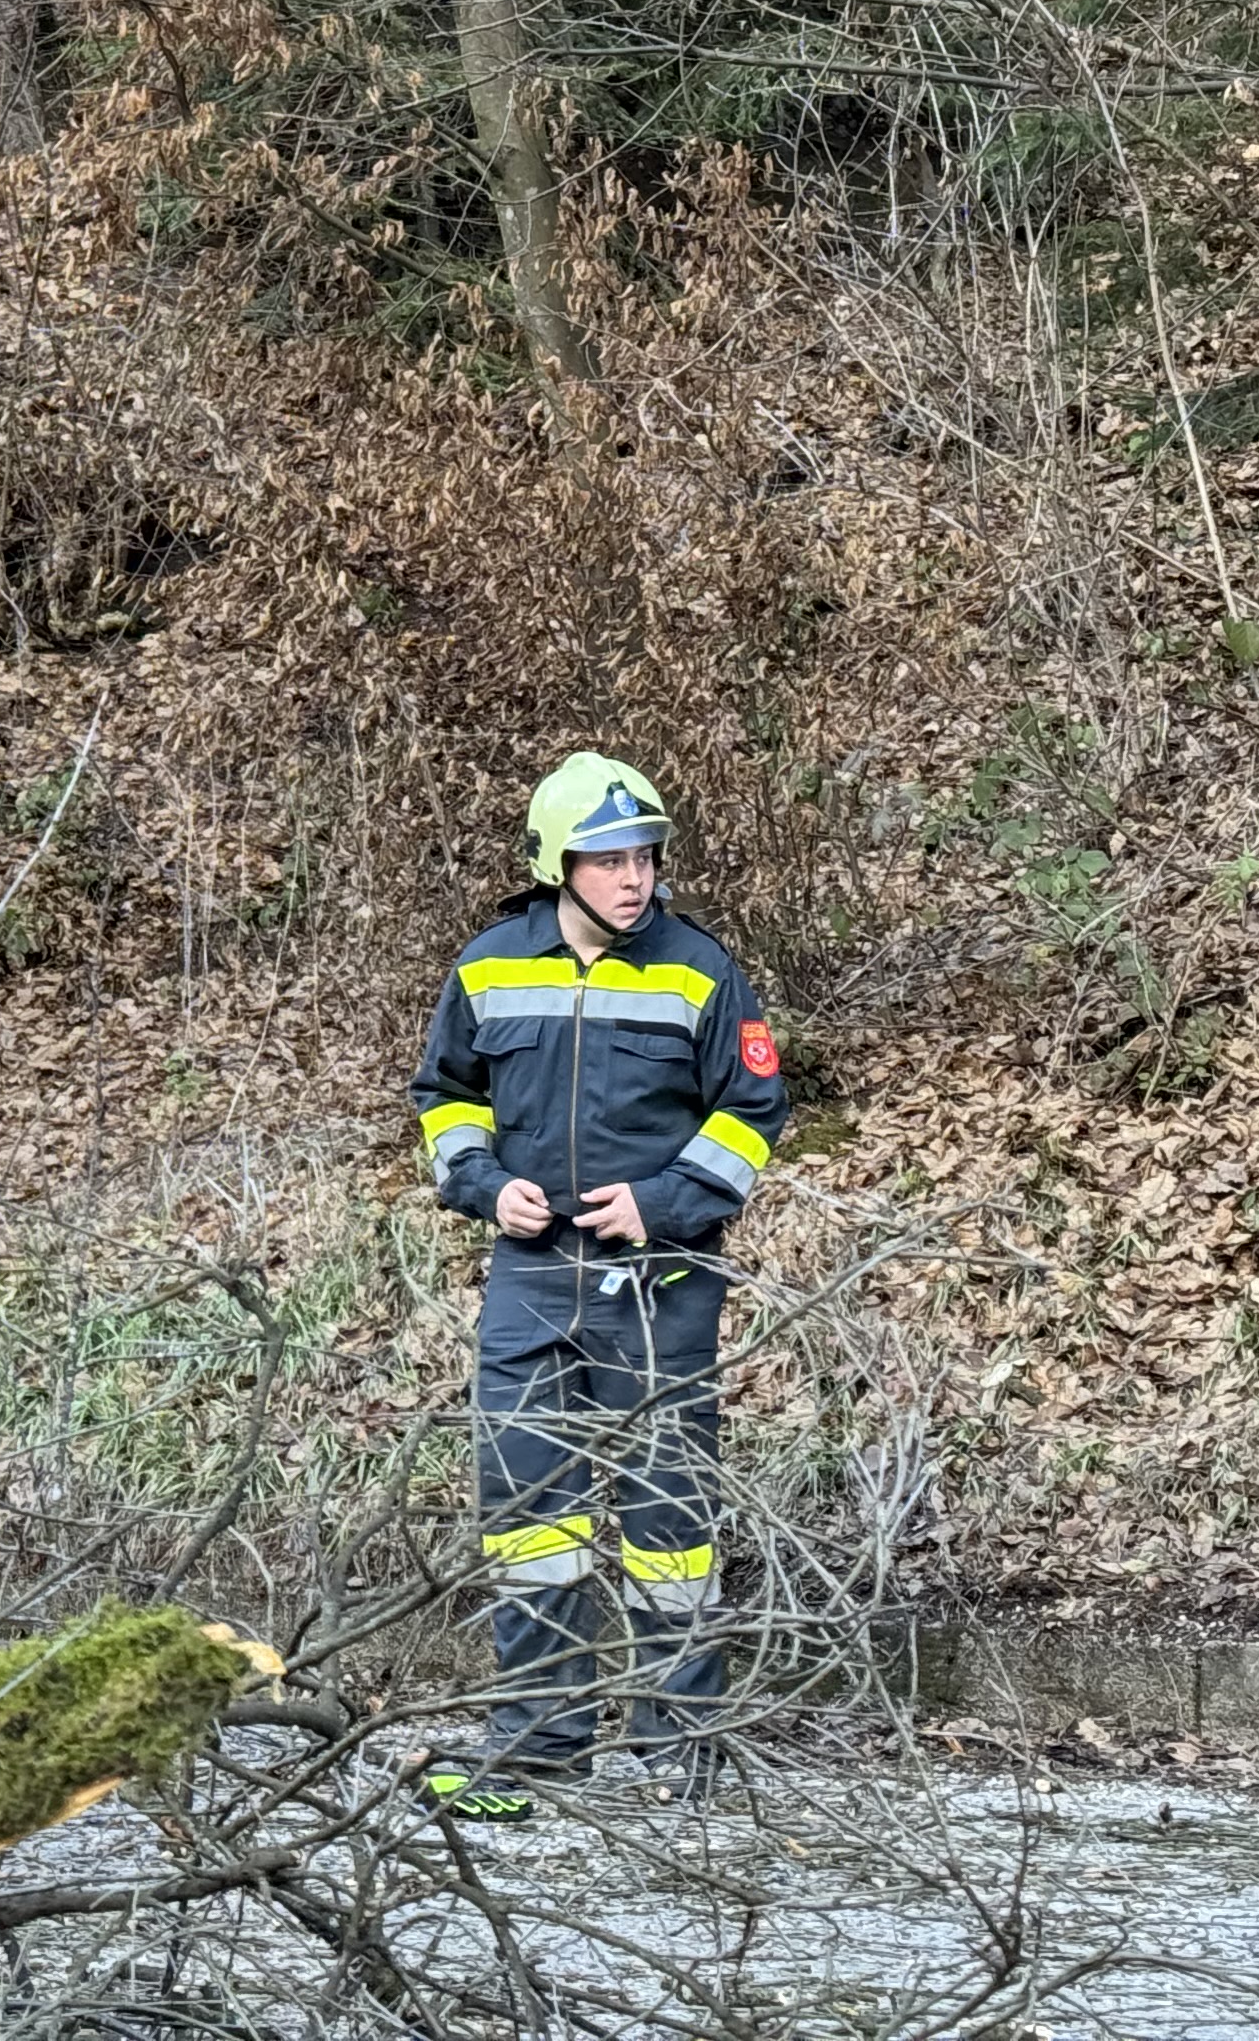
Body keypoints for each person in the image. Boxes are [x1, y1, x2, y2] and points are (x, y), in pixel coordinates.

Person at [407, 753, 785, 1818]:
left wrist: (662, 1205)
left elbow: (751, 1113)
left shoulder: (700, 971)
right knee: (530, 1515)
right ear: (556, 866)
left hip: (660, 1277)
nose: (635, 878)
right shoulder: (488, 967)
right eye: (611, 859)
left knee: (671, 1514)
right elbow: (445, 1095)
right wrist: (483, 1187)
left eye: (648, 857)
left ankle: (684, 1746)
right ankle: (537, 1744)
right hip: (531, 1273)